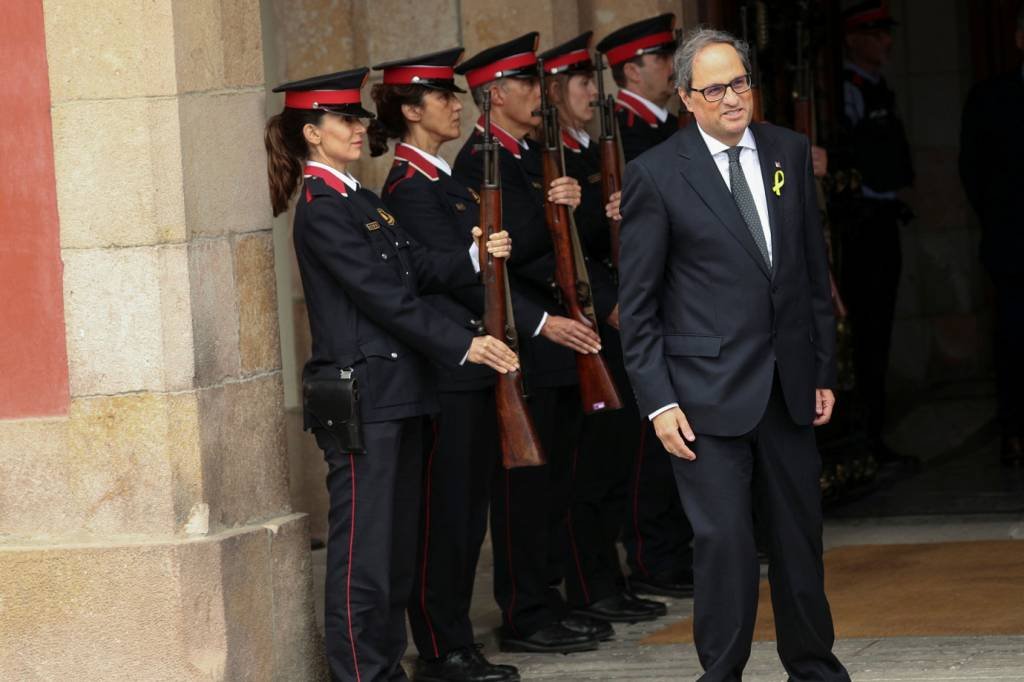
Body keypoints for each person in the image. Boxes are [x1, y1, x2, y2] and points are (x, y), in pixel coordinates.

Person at [265, 67, 519, 681]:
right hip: (365, 398)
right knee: (363, 553)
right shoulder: (322, 210)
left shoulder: (361, 199)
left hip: (401, 394)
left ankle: (385, 666)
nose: (359, 128)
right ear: (312, 133)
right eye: (345, 120)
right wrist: (466, 345)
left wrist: (471, 254)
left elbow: (417, 270)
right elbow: (386, 299)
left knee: (397, 547)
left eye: (358, 117)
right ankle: (362, 672)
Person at [617, 28, 850, 681]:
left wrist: (822, 369)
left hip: (788, 384)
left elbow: (809, 273)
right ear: (686, 97)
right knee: (725, 545)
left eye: (739, 82)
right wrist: (657, 400)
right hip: (701, 395)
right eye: (714, 88)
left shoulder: (788, 152)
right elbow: (637, 307)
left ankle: (815, 670)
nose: (731, 97)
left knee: (799, 542)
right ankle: (721, 674)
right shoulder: (656, 175)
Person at [368, 47, 531, 682]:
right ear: (411, 111)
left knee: (467, 512)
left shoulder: (445, 179)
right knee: (445, 515)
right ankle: (440, 644)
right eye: (441, 97)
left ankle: (455, 637)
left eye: (454, 94)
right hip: (448, 369)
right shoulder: (410, 188)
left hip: (475, 366)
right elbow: (433, 281)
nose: (455, 104)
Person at [453, 33, 615, 654]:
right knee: (523, 490)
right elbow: (498, 261)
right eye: (525, 84)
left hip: (558, 337)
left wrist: (572, 201)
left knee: (554, 486)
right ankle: (525, 612)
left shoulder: (526, 156)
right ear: (493, 94)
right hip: (527, 339)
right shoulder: (480, 163)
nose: (537, 94)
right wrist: (554, 208)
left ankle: (547, 599)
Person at [536, 32, 667, 625]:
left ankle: (606, 578)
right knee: (589, 467)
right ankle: (591, 583)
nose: (595, 91)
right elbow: (563, 251)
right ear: (559, 91)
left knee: (614, 458)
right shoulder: (553, 155)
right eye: (584, 82)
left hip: (614, 313)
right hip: (591, 320)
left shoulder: (587, 151)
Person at [597, 13, 697, 601]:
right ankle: (652, 552)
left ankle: (672, 547)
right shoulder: (630, 139)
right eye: (663, 58)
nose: (670, 67)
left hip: (680, 299)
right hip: (642, 302)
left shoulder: (667, 131)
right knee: (650, 442)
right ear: (633, 69)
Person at [830, 1, 916, 466]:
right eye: (876, 33)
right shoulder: (845, 90)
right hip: (858, 225)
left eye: (887, 33)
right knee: (861, 333)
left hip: (882, 220)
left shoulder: (878, 88)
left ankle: (873, 435)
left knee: (879, 331)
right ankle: (858, 438)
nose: (886, 42)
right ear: (853, 38)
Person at [959, 4, 1024, 466]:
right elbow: (973, 173)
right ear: (1019, 39)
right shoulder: (990, 97)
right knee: (1016, 339)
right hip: (1014, 245)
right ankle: (1016, 429)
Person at [596, 13, 679, 163]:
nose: (673, 66)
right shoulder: (624, 130)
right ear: (632, 72)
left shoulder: (671, 122)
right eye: (662, 59)